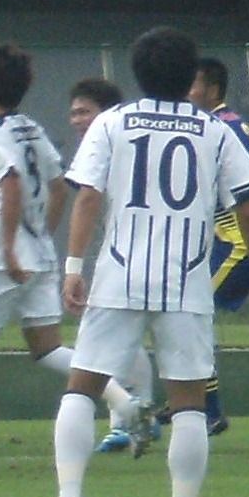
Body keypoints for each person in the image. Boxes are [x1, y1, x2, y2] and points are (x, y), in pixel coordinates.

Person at [32, 27, 249, 497]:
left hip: (120, 273)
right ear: (190, 77)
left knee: (83, 386)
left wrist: (72, 266)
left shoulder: (111, 122)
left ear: (136, 73)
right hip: (187, 280)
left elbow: (88, 199)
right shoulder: (214, 131)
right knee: (188, 402)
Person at [0, 48, 146, 473]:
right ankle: (125, 402)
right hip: (40, 256)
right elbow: (58, 187)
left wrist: (10, 249)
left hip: (5, 259)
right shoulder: (33, 129)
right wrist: (42, 239)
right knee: (47, 347)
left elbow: (10, 183)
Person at [188, 54, 249, 437]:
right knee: (190, 317)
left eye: (192, 84)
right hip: (234, 240)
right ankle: (193, 401)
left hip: (242, 244)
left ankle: (205, 409)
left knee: (191, 317)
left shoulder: (223, 128)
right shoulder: (222, 124)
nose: (186, 92)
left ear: (211, 90)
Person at [72, 77, 160, 456]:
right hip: (135, 255)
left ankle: (133, 414)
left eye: (83, 112)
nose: (76, 120)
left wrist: (73, 265)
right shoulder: (113, 143)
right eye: (73, 112)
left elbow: (88, 199)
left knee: (94, 346)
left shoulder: (117, 139)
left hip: (133, 258)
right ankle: (130, 417)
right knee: (127, 340)